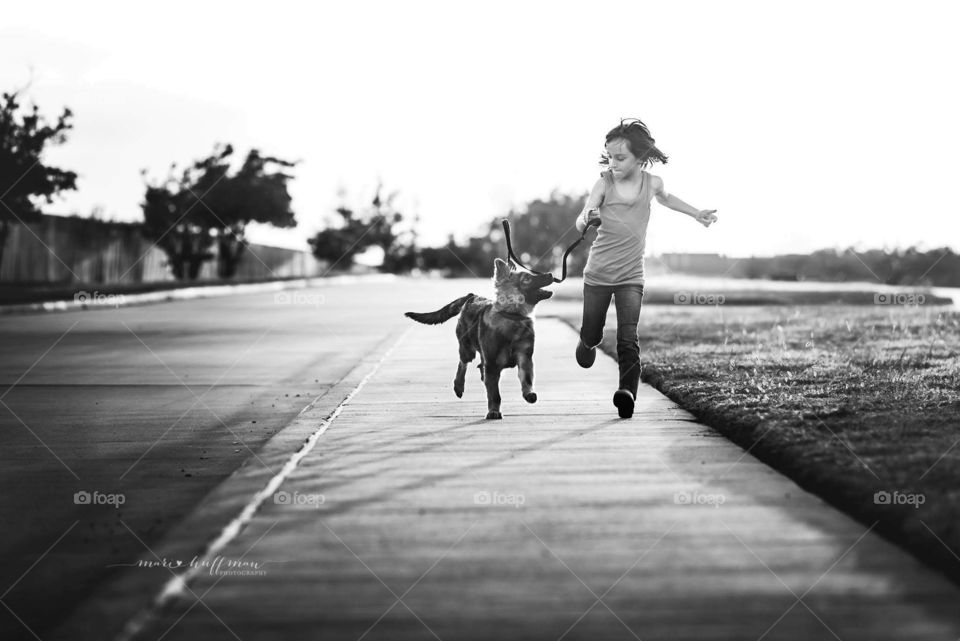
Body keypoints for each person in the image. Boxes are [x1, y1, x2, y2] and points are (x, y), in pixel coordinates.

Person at [575, 118, 717, 418]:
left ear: (640, 156)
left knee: (629, 338)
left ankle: (627, 392)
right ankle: (587, 341)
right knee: (593, 331)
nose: (613, 162)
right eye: (610, 156)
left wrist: (696, 213)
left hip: (631, 277)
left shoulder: (652, 183)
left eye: (620, 157)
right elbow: (584, 212)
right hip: (597, 275)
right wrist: (586, 217)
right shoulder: (603, 183)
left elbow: (667, 199)